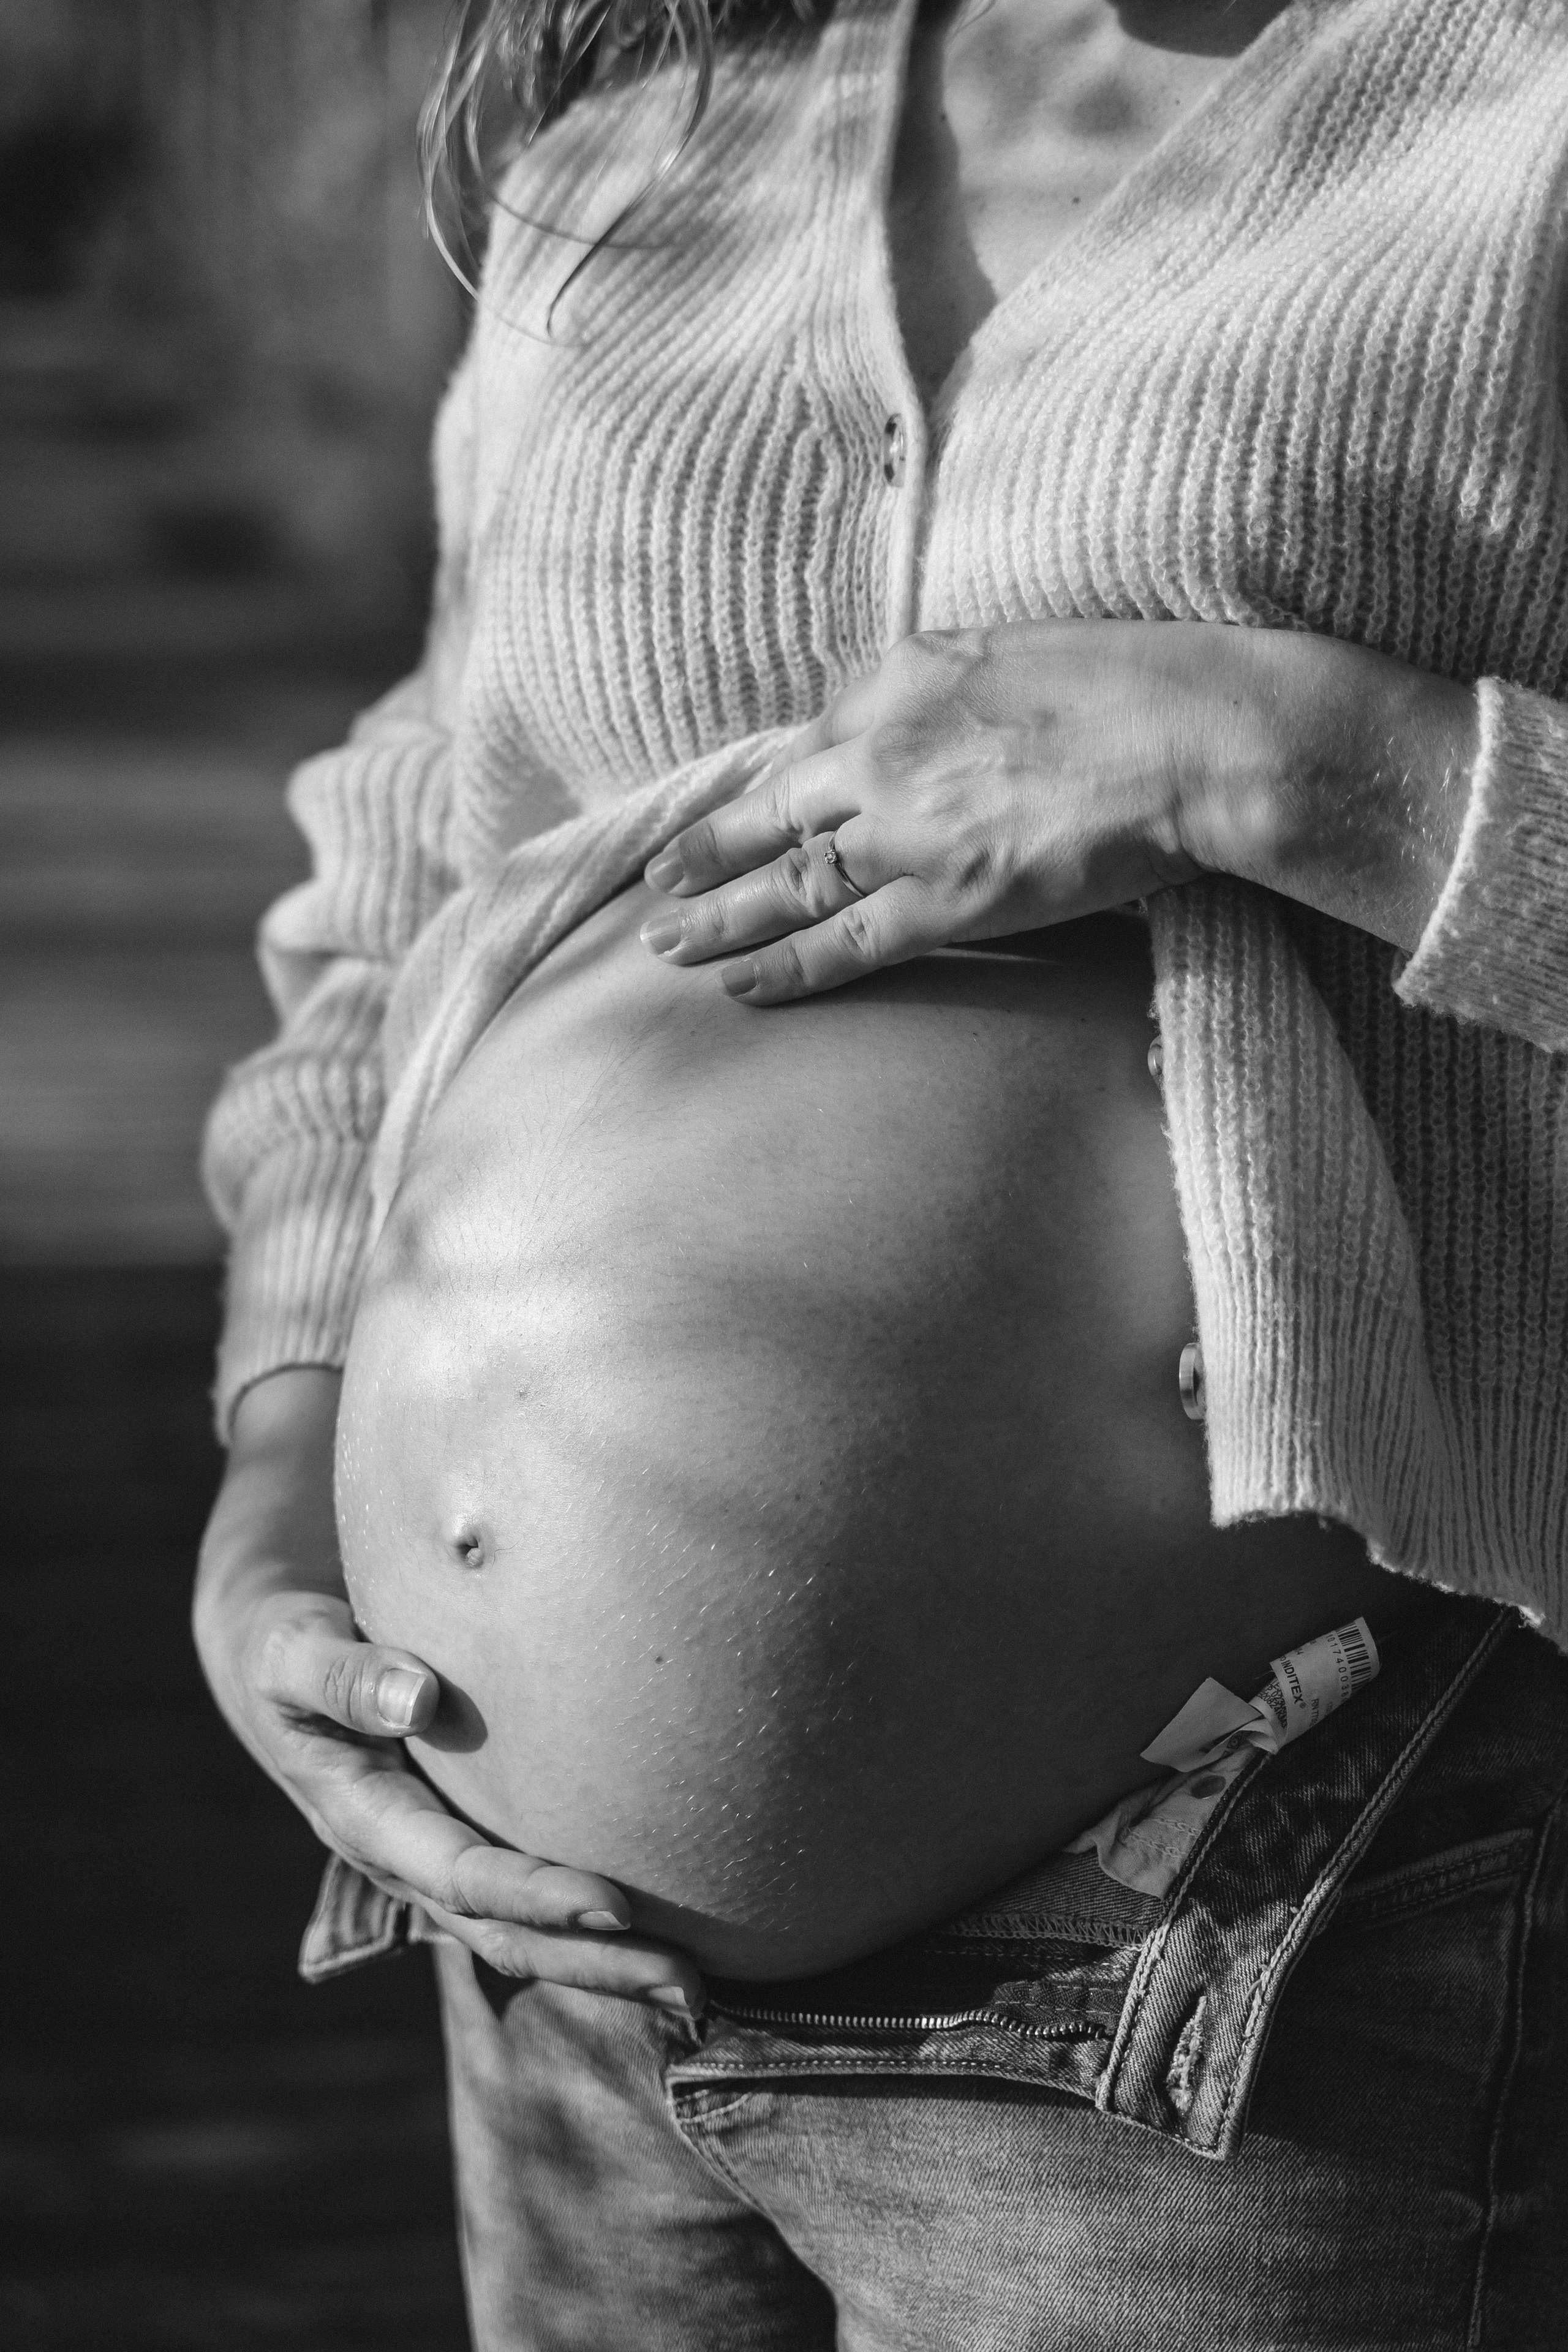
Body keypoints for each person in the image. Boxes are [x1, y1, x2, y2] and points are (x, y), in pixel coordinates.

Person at [195, 0, 1568, 2340]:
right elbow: (421, 869)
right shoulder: (655, 142)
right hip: (533, 1957)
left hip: (1238, 1932)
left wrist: (1302, 763)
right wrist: (281, 1470)